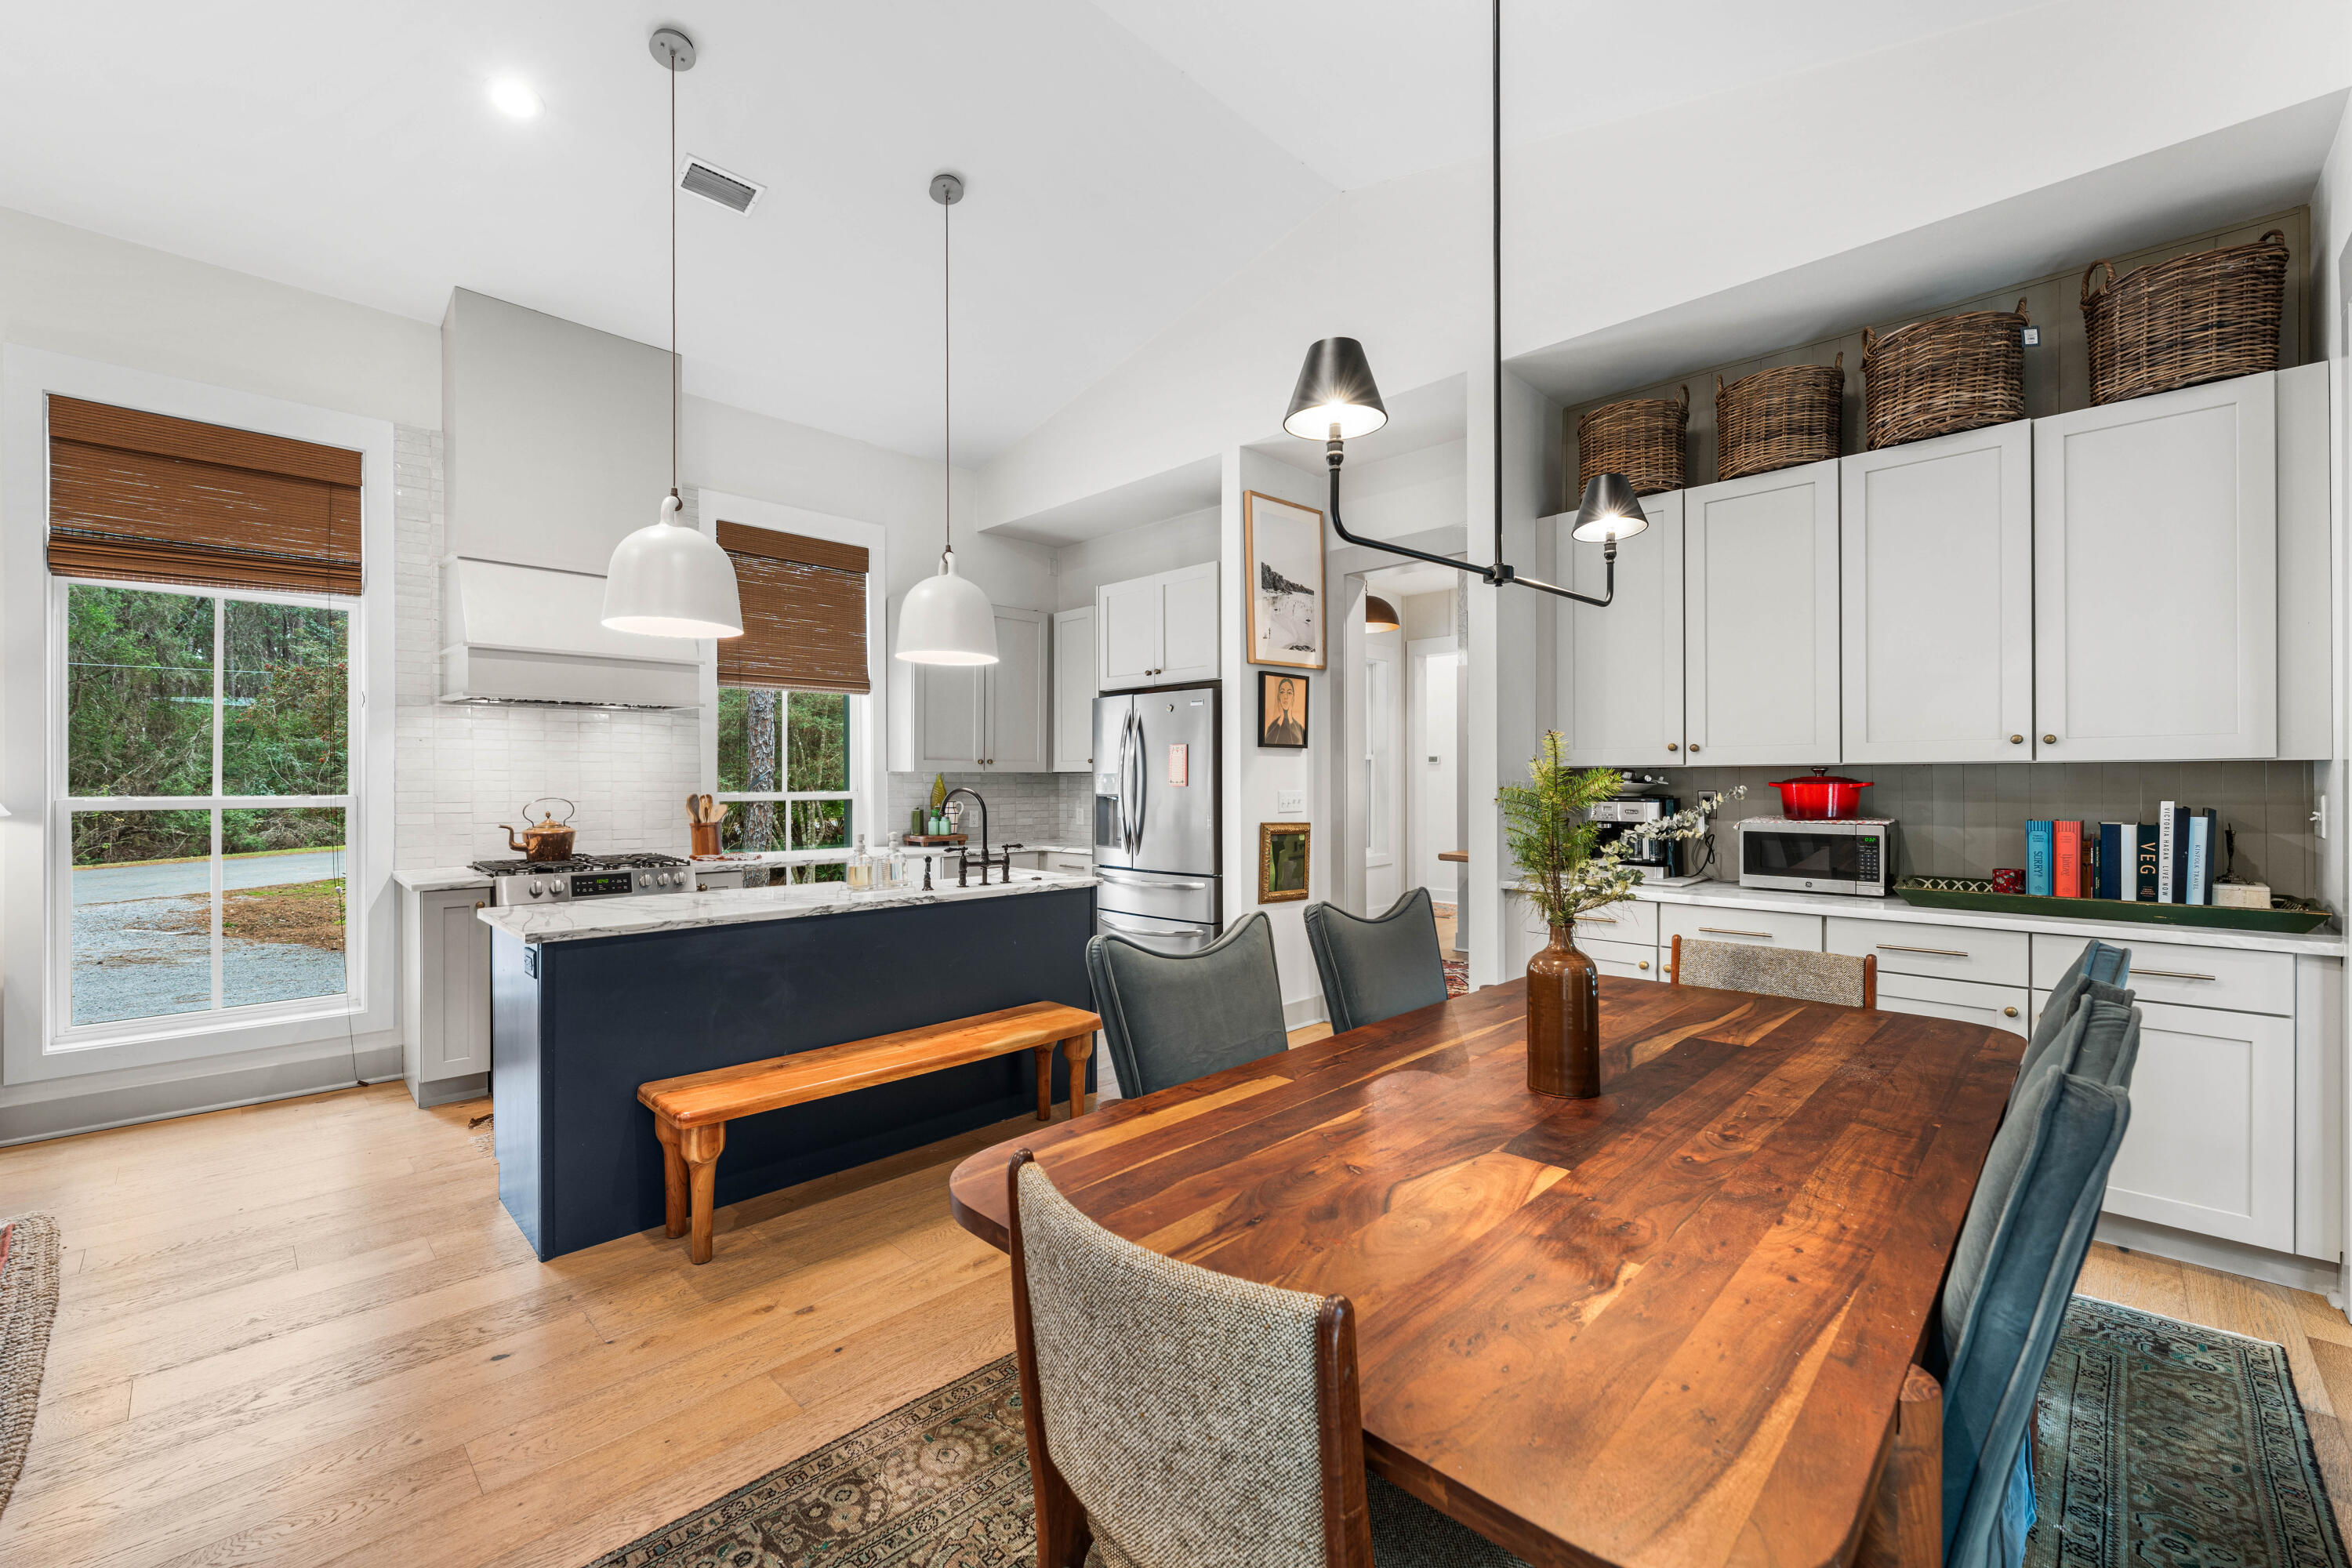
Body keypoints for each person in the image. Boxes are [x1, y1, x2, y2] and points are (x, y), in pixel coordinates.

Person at [1263, 677, 1305, 746]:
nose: (1286, 697)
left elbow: (1299, 742)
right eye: (1282, 692)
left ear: (1293, 698)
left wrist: (1290, 717)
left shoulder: (1299, 728)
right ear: (1278, 696)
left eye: (1289, 693)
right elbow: (1268, 743)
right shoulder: (1272, 726)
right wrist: (1281, 718)